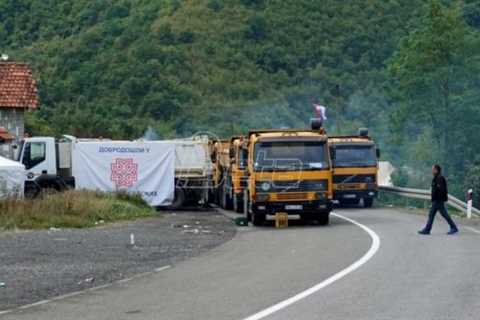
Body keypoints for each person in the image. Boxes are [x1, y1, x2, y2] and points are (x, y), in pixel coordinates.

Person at [418, 164, 459, 235]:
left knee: (443, 214)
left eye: (433, 169)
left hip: (438, 200)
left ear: (436, 170)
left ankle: (453, 227)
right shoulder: (436, 178)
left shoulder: (440, 178)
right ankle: (428, 229)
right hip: (436, 200)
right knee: (433, 214)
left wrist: (438, 199)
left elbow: (441, 190)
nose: (432, 170)